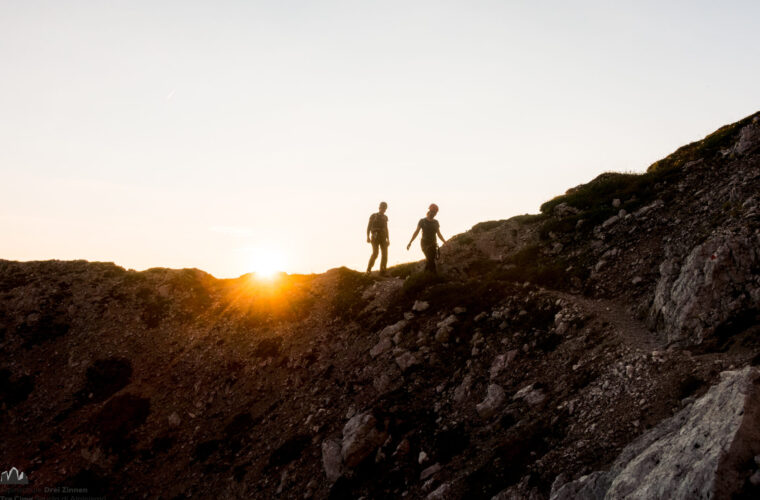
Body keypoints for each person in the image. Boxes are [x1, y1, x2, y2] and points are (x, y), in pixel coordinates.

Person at [407, 203, 446, 273]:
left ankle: (425, 276)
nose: (433, 214)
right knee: (430, 259)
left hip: (433, 244)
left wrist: (445, 242)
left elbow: (439, 234)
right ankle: (433, 276)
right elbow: (416, 232)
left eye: (435, 213)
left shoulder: (436, 222)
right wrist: (410, 242)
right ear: (429, 211)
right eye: (432, 212)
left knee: (430, 260)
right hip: (424, 243)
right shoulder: (422, 221)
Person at [366, 201, 390, 275]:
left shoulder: (385, 217)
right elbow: (369, 226)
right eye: (382, 208)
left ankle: (383, 271)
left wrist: (388, 238)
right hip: (375, 236)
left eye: (385, 208)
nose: (383, 209)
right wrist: (367, 236)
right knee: (375, 253)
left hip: (383, 237)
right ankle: (369, 269)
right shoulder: (373, 216)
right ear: (379, 208)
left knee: (385, 254)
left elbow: (386, 228)